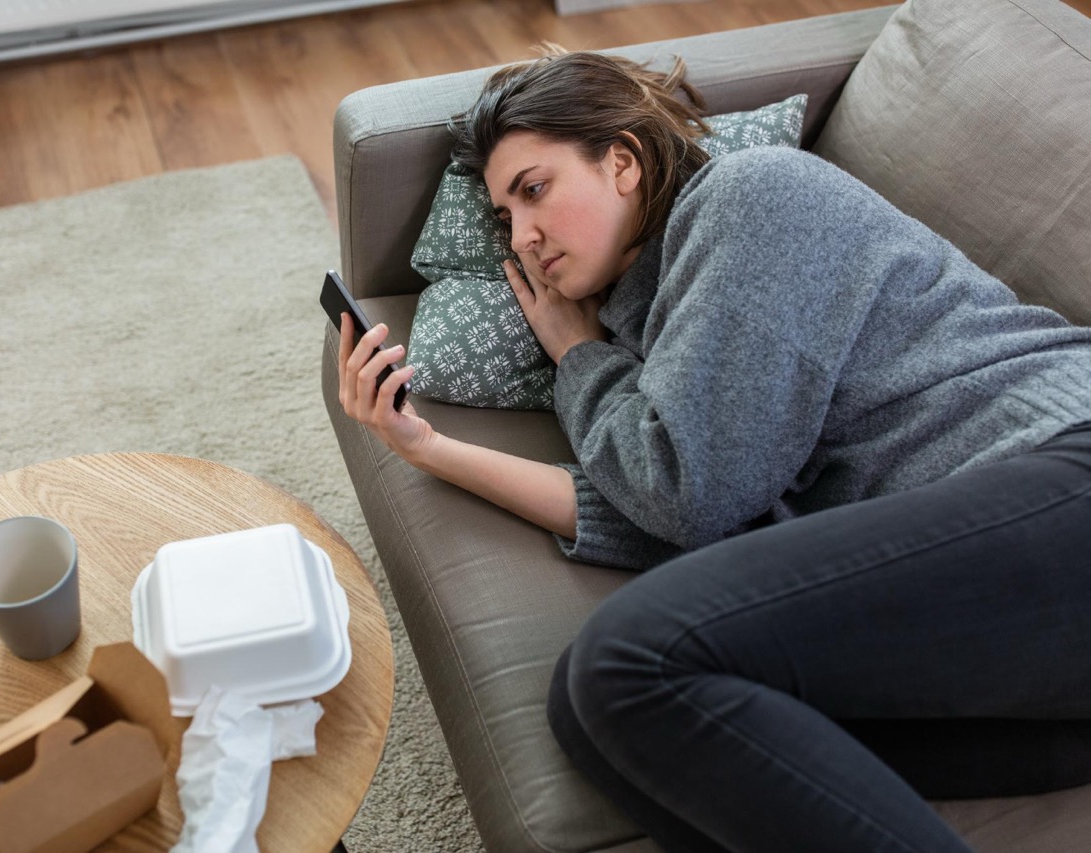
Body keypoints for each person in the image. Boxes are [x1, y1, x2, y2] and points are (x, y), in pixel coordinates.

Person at [336, 47, 1091, 853]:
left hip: (1056, 467)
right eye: (505, 219)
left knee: (626, 662)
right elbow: (683, 517)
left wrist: (579, 360)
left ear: (622, 161)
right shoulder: (655, 326)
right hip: (1025, 630)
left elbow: (686, 495)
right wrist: (424, 446)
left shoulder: (754, 195)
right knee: (592, 723)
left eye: (534, 190)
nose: (522, 238)